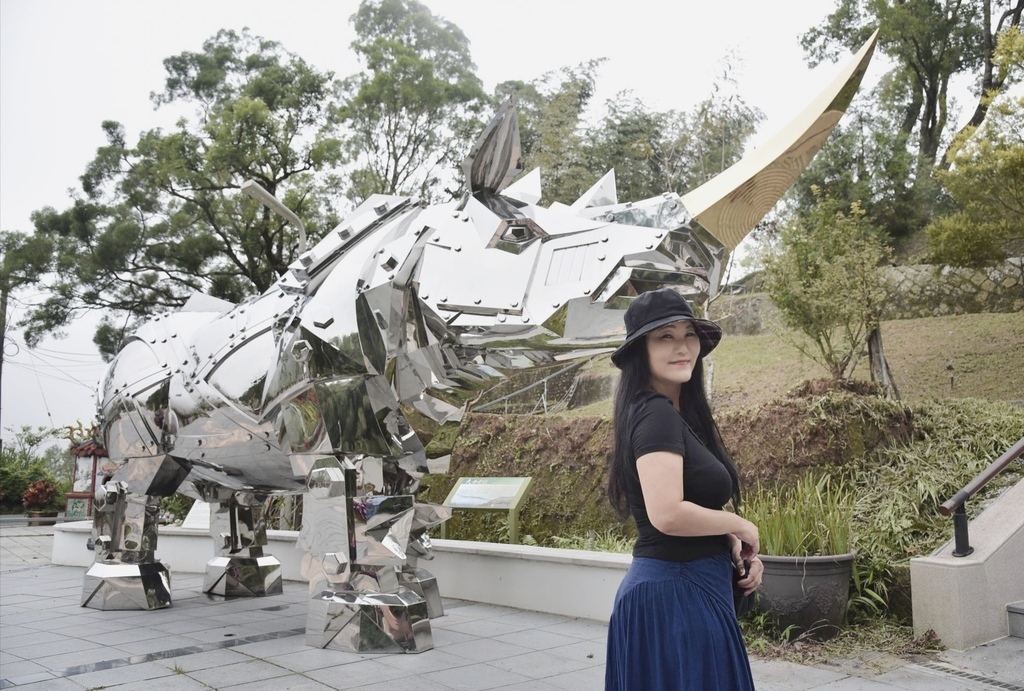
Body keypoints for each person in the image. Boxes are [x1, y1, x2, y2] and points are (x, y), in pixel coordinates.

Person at [605, 287, 763, 690]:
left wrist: (726, 537)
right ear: (641, 350)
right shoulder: (654, 414)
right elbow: (667, 513)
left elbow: (681, 506)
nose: (683, 347)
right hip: (675, 599)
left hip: (686, 590)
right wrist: (742, 525)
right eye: (665, 337)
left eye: (688, 334)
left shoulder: (672, 413)